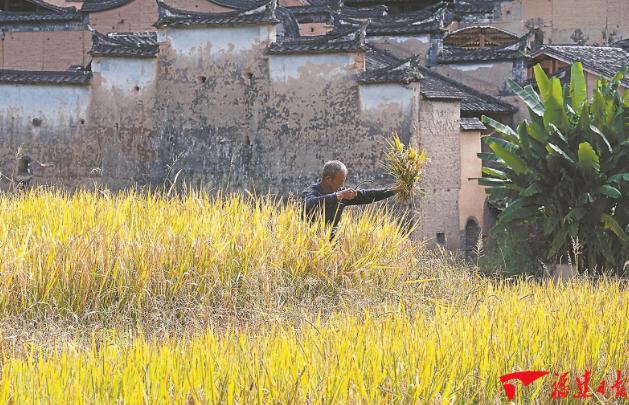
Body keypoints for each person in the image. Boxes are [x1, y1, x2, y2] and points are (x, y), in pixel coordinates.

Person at [301, 160, 400, 240]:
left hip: (332, 243)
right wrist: (338, 195)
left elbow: (366, 195)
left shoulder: (342, 194)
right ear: (328, 179)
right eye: (340, 182)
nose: (342, 185)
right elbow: (309, 203)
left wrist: (392, 191)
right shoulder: (311, 191)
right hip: (309, 241)